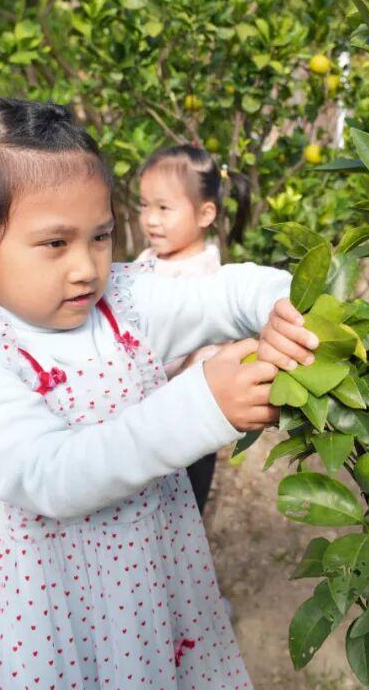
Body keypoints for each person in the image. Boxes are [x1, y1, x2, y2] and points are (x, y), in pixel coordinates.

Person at [0, 95, 318, 689]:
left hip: (155, 582)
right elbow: (50, 474)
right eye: (55, 243)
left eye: (101, 237)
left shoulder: (122, 302)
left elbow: (221, 294)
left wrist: (279, 305)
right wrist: (202, 405)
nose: (86, 267)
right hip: (55, 615)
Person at [133, 144, 251, 513]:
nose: (150, 219)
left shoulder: (203, 281)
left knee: (179, 521)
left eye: (164, 208)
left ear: (205, 214)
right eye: (144, 205)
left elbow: (178, 360)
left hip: (186, 430)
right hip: (145, 424)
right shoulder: (148, 262)